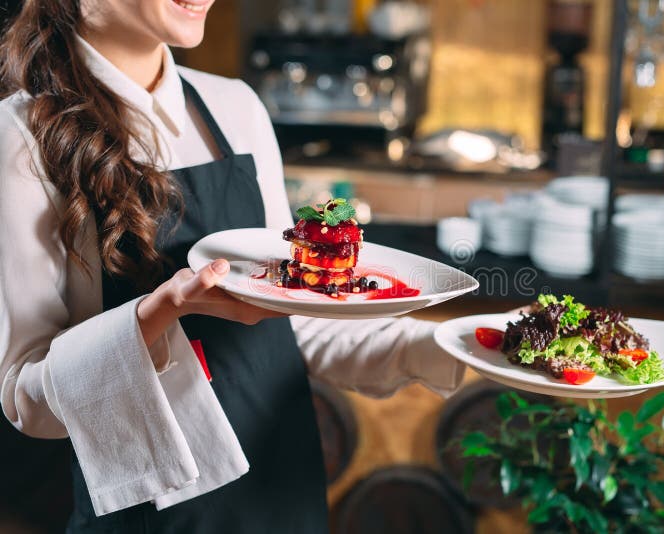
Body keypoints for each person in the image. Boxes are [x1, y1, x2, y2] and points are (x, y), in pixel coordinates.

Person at [0, 1, 464, 532]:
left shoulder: (235, 107)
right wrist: (156, 314)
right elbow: (27, 401)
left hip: (280, 488)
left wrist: (453, 345)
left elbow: (298, 322)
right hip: (153, 512)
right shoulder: (20, 137)